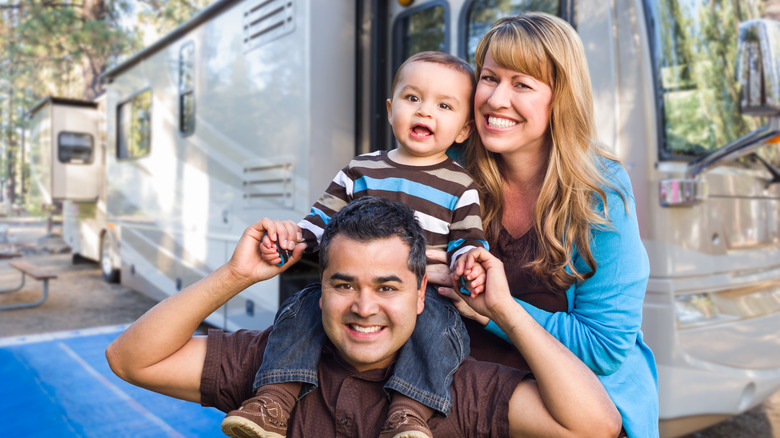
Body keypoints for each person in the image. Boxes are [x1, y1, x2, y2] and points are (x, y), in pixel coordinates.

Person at [105, 196, 622, 437]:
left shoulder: (456, 387)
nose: (364, 307)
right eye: (344, 284)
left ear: (422, 293)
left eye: (387, 287)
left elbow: (595, 425)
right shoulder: (271, 366)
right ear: (320, 288)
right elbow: (131, 359)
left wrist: (505, 312)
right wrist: (235, 276)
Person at [225, 51, 488, 438]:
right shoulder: (360, 170)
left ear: (463, 130)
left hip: (423, 294)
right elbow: (319, 221)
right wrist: (289, 240)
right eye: (412, 98)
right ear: (390, 108)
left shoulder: (460, 185)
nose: (424, 112)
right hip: (355, 285)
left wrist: (467, 264)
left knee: (440, 329)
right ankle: (273, 400)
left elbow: (469, 242)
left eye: (444, 105)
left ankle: (409, 414)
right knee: (302, 308)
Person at [430, 12, 658, 438]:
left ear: (560, 98)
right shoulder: (446, 168)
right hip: (459, 394)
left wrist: (494, 310)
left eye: (522, 84)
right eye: (489, 78)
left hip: (568, 411)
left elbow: (604, 347)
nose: (496, 99)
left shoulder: (599, 190)